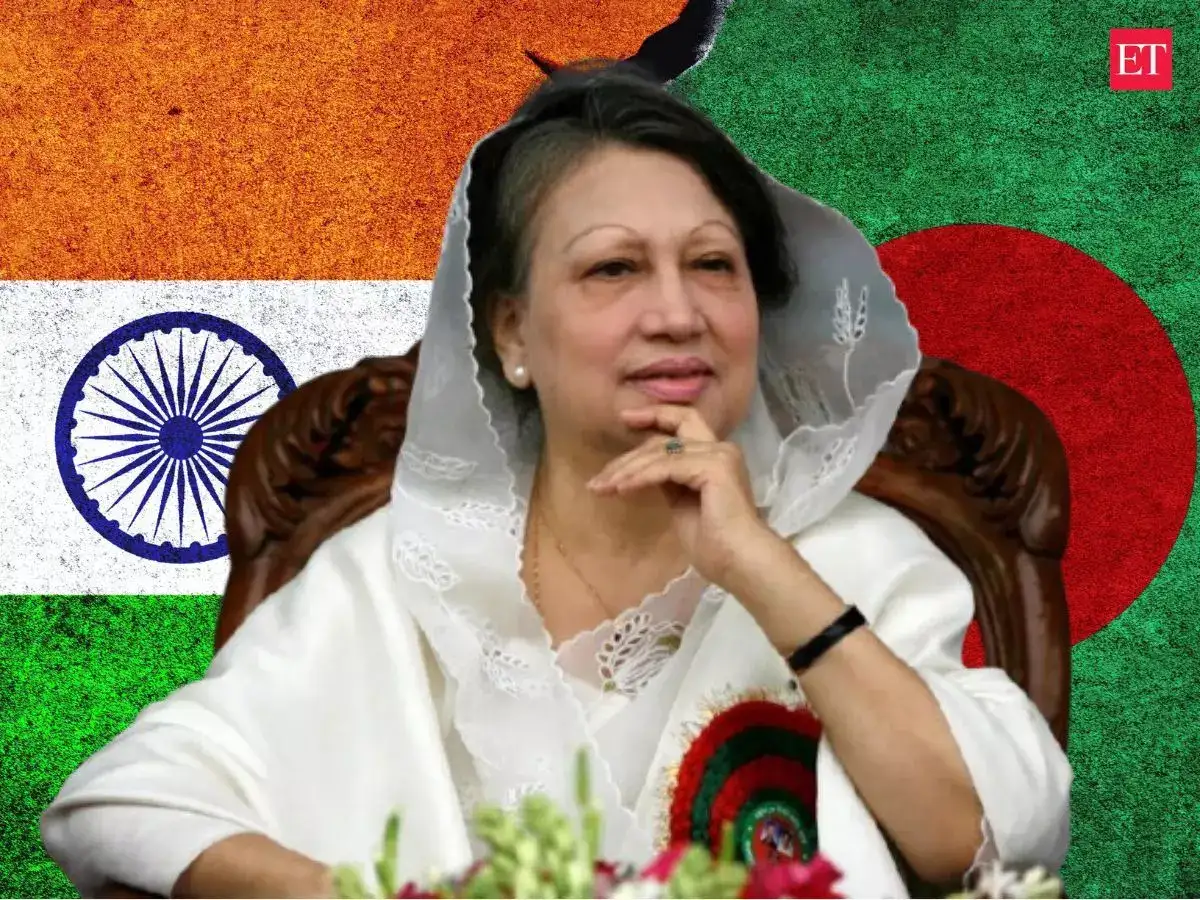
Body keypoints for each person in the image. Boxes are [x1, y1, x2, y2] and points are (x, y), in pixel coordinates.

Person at [41, 62, 1072, 899]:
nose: (677, 313)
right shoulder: (398, 571)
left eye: (714, 265)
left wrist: (760, 566)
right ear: (511, 334)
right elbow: (121, 801)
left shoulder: (859, 556)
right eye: (613, 269)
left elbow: (975, 843)